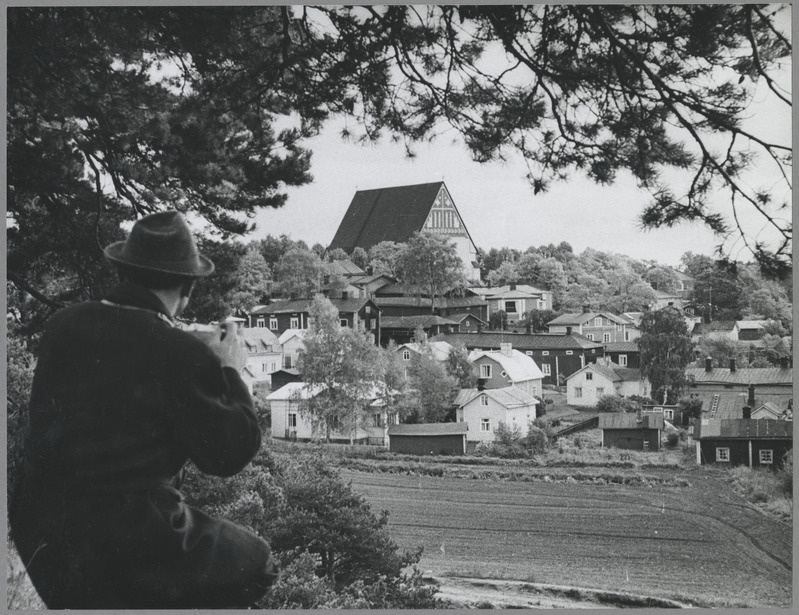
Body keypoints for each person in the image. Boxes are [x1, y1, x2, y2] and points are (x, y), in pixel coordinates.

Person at [10, 211, 277, 608]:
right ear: (187, 287)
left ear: (123, 272)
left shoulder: (62, 325)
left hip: (44, 534)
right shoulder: (178, 352)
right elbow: (229, 454)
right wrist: (230, 370)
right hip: (128, 537)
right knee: (259, 564)